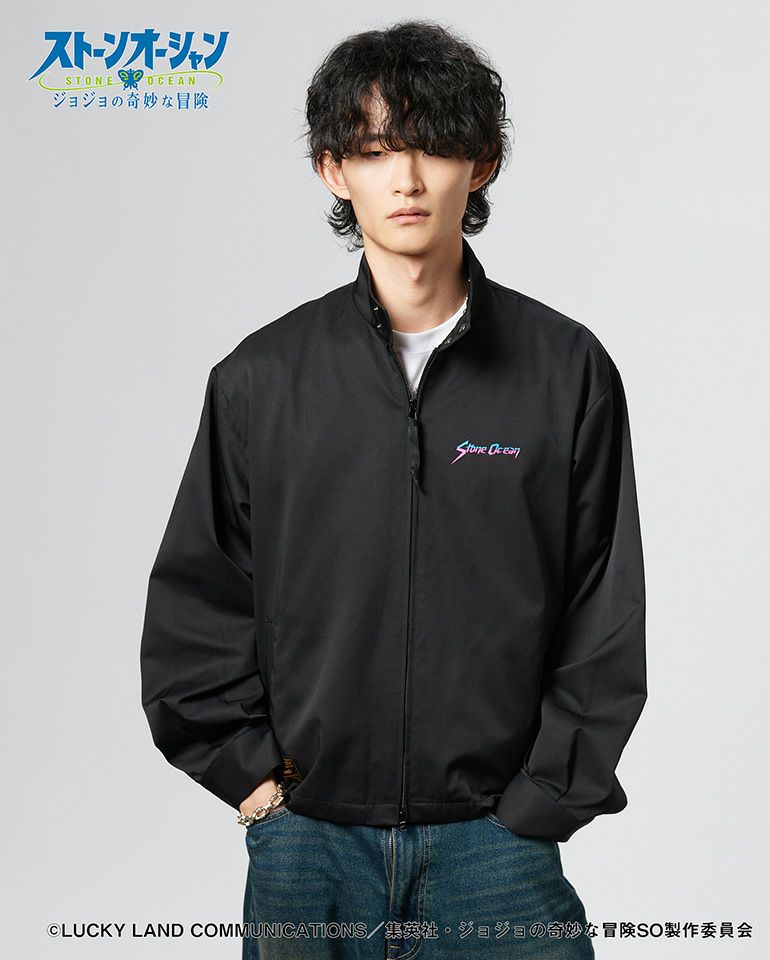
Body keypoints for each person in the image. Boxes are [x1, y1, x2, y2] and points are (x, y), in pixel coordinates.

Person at [140, 18, 647, 960]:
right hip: (310, 846)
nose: (406, 179)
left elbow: (603, 608)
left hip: (494, 844)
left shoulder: (565, 369)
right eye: (374, 152)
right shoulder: (262, 379)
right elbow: (197, 598)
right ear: (333, 171)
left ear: (481, 164)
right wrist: (257, 787)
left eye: (433, 147)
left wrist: (541, 803)